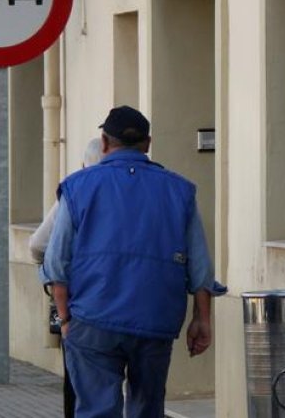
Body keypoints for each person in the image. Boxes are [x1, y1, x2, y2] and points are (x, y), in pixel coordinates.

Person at [43, 106, 215, 418]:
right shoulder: (180, 191)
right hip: (155, 319)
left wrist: (65, 318)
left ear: (104, 142)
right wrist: (202, 319)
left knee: (96, 410)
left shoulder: (78, 187)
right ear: (147, 144)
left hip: (93, 317)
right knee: (148, 409)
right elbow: (200, 265)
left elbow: (57, 262)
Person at [30, 137, 103, 418]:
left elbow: (38, 245)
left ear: (84, 165)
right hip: (135, 309)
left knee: (78, 384)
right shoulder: (142, 189)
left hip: (80, 305)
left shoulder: (76, 192)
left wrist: (51, 275)